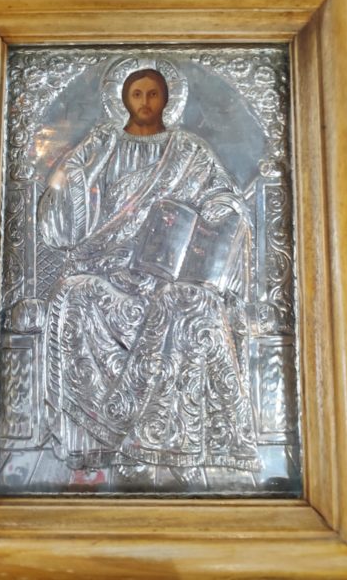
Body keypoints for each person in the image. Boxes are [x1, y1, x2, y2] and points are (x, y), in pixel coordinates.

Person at [38, 64, 260, 488]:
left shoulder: (189, 151)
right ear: (123, 99)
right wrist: (81, 165)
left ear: (167, 99)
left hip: (175, 273)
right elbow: (67, 217)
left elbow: (225, 196)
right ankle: (101, 442)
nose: (145, 102)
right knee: (72, 293)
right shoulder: (105, 147)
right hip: (113, 267)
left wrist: (220, 208)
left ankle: (172, 445)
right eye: (136, 94)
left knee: (189, 304)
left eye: (153, 94)